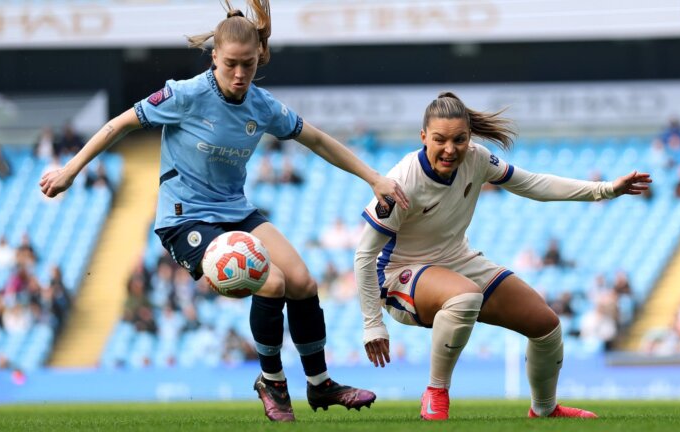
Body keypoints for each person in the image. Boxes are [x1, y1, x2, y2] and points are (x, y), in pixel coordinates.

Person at [39, 0, 408, 422]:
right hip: (185, 219)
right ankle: (272, 381)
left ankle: (320, 384)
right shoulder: (186, 94)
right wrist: (69, 171)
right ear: (214, 56)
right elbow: (119, 123)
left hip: (235, 211)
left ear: (258, 60)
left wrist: (374, 178)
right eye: (230, 64)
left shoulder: (263, 105)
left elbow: (318, 140)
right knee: (271, 284)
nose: (238, 75)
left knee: (303, 282)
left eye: (248, 65)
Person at [354, 92, 651, 421]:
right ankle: (436, 392)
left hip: (456, 259)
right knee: (465, 297)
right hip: (400, 273)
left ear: (469, 137)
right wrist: (373, 325)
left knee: (546, 326)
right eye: (439, 140)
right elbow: (364, 255)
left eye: (459, 139)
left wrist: (605, 189)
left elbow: (534, 184)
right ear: (423, 137)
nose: (450, 149)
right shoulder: (403, 181)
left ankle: (544, 410)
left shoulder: (477, 159)